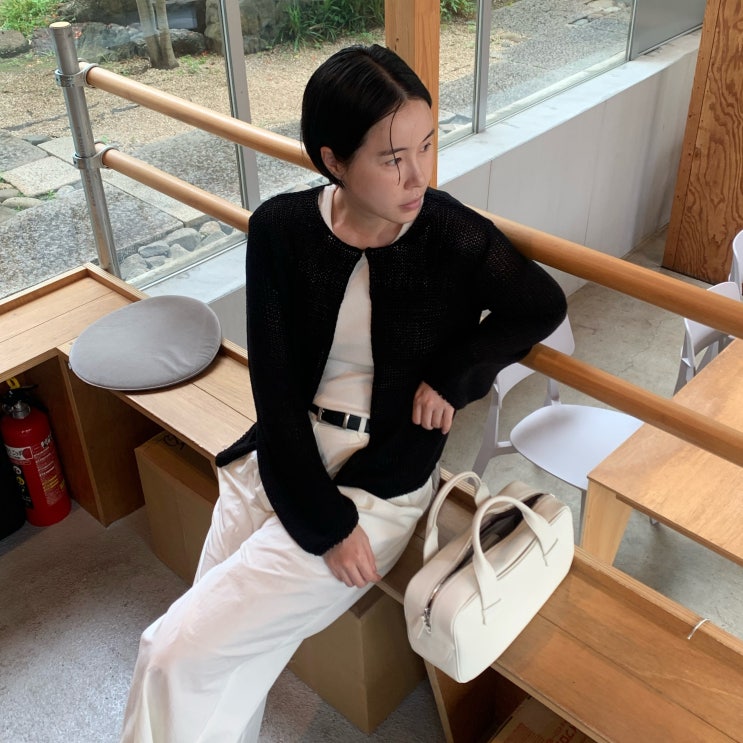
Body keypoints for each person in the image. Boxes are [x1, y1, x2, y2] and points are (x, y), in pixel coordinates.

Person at [120, 43, 567, 742]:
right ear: (334, 160)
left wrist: (454, 374)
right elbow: (273, 390)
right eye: (391, 158)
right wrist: (322, 521)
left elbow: (538, 304)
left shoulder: (449, 233)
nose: (417, 175)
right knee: (221, 657)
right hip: (282, 458)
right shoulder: (281, 231)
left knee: (171, 651)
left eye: (426, 144)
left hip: (379, 486)